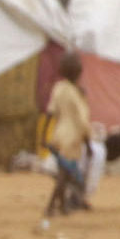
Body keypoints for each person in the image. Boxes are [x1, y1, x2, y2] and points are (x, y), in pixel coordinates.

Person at [45, 73, 95, 216]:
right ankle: (50, 207)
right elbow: (83, 124)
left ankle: (62, 207)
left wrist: (44, 136)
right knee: (63, 175)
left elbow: (50, 112)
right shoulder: (77, 97)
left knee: (64, 173)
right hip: (71, 139)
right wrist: (89, 144)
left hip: (59, 135)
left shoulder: (59, 89)